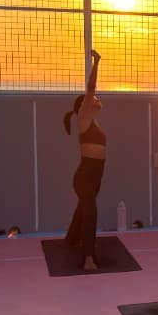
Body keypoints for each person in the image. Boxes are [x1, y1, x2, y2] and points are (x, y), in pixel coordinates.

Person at [63, 50, 103, 271]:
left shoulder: (94, 123)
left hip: (95, 175)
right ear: (85, 107)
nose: (98, 99)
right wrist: (96, 62)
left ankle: (71, 238)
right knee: (91, 213)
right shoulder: (84, 118)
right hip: (86, 174)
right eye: (95, 99)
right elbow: (90, 89)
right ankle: (88, 257)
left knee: (84, 208)